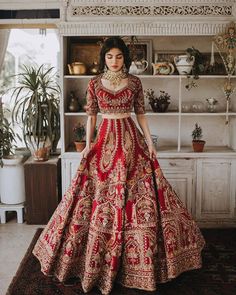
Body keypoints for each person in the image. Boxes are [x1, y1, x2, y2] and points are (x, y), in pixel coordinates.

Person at [33, 36, 205, 295]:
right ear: (104, 58)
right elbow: (90, 116)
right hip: (104, 141)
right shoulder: (94, 83)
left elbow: (141, 115)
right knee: (94, 195)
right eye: (110, 56)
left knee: (140, 195)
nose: (114, 61)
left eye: (119, 56)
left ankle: (140, 258)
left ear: (125, 58)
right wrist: (88, 145)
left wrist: (150, 143)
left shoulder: (135, 82)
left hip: (130, 138)